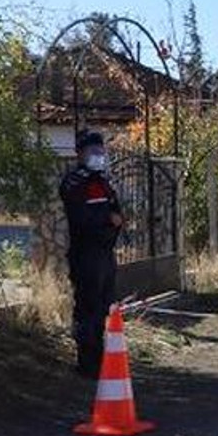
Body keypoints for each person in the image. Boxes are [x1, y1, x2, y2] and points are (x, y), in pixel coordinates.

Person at [59, 130, 123, 379]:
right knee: (88, 309)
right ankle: (87, 363)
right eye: (92, 151)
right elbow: (82, 217)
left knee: (103, 308)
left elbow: (117, 212)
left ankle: (100, 359)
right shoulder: (75, 182)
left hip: (105, 253)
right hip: (85, 254)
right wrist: (108, 219)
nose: (98, 155)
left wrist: (113, 221)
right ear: (80, 153)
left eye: (101, 150)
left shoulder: (104, 181)